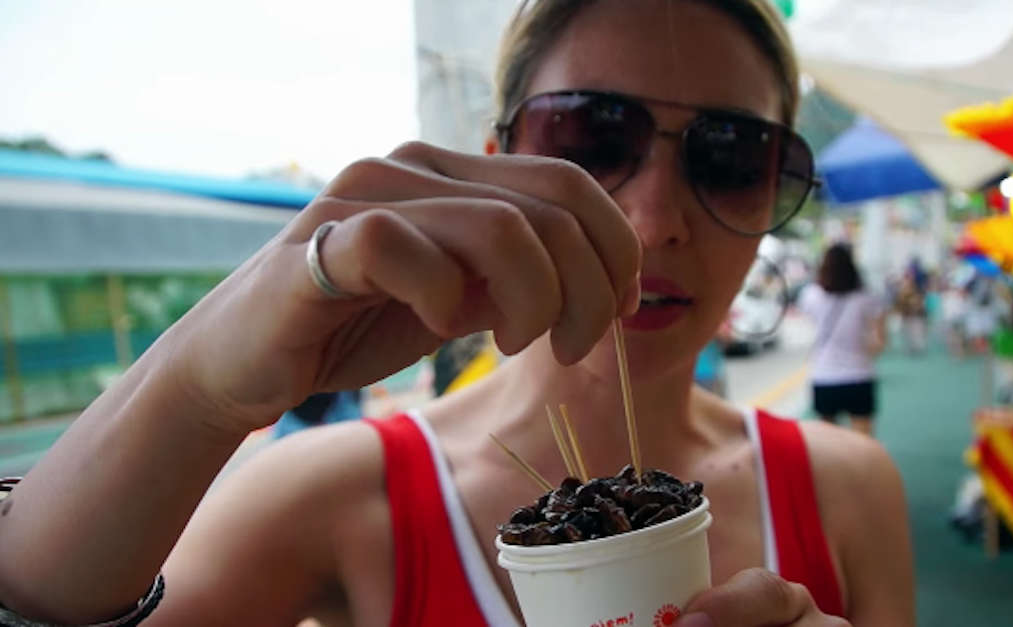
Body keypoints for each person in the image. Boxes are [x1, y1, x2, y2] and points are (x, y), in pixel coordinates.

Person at [0, 1, 915, 626]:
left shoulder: (847, 490)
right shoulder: (341, 495)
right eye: (591, 136)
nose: (653, 223)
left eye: (733, 155)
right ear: (499, 162)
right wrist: (194, 390)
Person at [799, 244, 888, 438]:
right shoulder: (866, 297)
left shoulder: (811, 294)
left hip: (823, 375)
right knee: (863, 443)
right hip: (859, 374)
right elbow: (880, 342)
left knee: (829, 444)